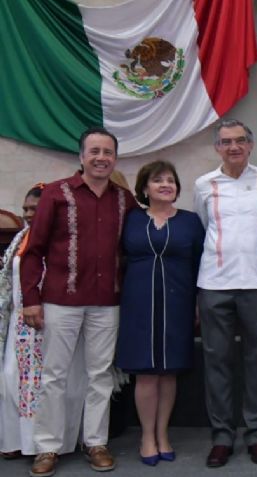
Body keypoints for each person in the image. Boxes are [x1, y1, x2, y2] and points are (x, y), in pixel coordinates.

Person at [20, 127, 138, 476]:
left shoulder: (124, 199)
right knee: (54, 375)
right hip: (61, 301)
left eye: (108, 152)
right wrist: (31, 300)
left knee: (100, 375)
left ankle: (96, 442)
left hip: (107, 303)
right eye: (95, 151)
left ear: (115, 158)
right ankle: (47, 447)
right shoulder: (56, 194)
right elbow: (32, 252)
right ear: (82, 156)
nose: (101, 157)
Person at [194, 119, 257, 468]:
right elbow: (204, 228)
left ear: (251, 145)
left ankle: (256, 433)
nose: (234, 147)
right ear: (217, 147)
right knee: (216, 361)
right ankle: (221, 435)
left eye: (240, 141)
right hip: (214, 283)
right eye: (226, 142)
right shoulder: (204, 185)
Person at [115, 161, 204, 466]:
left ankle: (163, 433)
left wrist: (197, 303)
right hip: (138, 303)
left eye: (171, 180)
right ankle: (146, 436)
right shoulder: (130, 219)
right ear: (144, 188)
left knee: (169, 373)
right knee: (146, 374)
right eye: (158, 180)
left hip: (178, 302)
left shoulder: (191, 222)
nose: (166, 185)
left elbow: (200, 265)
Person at [0, 185, 87, 460]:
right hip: (19, 324)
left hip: (50, 321)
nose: (27, 214)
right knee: (15, 380)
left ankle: (49, 445)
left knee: (49, 384)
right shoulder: (21, 238)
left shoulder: (60, 241)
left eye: (34, 210)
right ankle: (18, 440)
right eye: (25, 209)